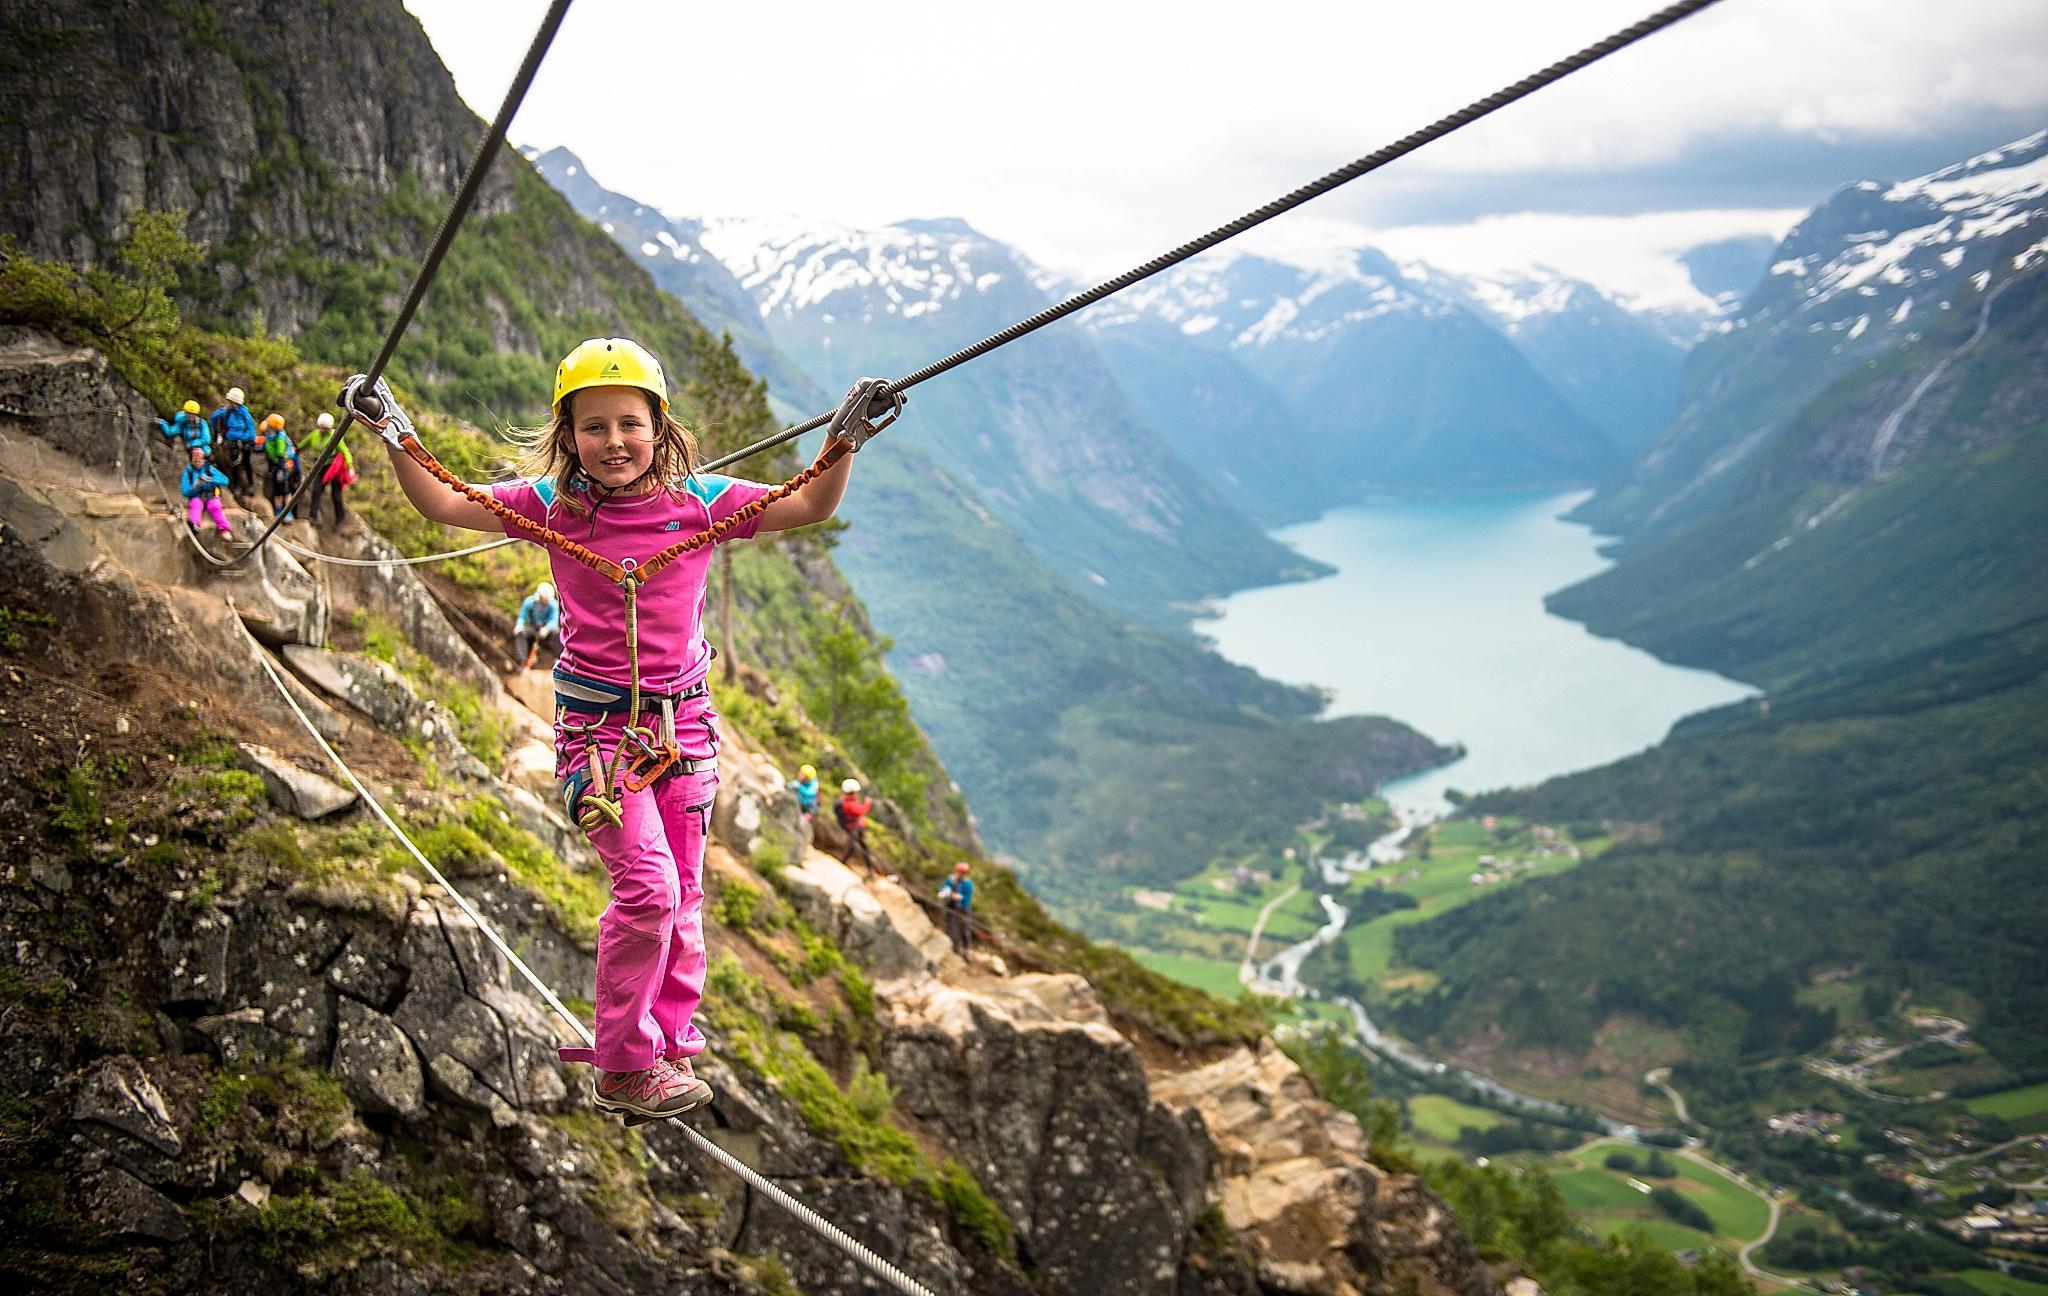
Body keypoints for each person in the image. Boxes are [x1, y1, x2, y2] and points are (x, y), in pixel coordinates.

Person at [346, 336, 895, 1125]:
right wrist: (393, 433)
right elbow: (445, 501)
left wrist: (843, 443)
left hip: (686, 729)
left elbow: (808, 503)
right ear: (569, 437)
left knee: (686, 897)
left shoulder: (702, 503)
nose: (613, 443)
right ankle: (625, 1064)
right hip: (599, 738)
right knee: (648, 891)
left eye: (629, 424)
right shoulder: (552, 508)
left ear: (658, 425)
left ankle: (666, 1042)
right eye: (593, 427)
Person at [303, 412, 356, 527]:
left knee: (335, 494)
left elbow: (344, 451)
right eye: (322, 427)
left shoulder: (334, 436)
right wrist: (297, 449)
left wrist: (349, 466)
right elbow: (305, 444)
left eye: (326, 428)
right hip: (320, 467)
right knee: (316, 491)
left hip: (333, 468)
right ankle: (313, 517)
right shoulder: (315, 435)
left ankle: (340, 518)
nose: (323, 430)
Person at [207, 386, 259, 496]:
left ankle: (250, 484)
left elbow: (251, 428)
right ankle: (236, 485)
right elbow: (213, 418)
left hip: (244, 441)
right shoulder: (226, 412)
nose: (233, 404)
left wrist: (249, 441)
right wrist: (222, 411)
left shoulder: (244, 413)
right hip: (232, 442)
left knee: (246, 462)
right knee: (234, 464)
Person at [180, 446, 234, 540]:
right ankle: (195, 524)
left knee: (215, 506)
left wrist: (210, 480)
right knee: (195, 505)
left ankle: (224, 529)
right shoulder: (188, 472)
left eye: (200, 459)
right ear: (191, 460)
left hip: (211, 495)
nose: (197, 462)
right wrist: (196, 487)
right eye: (195, 460)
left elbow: (225, 480)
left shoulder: (209, 469)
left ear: (203, 459)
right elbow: (185, 491)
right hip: (196, 496)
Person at [512, 581, 561, 671]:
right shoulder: (529, 602)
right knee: (521, 634)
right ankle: (522, 662)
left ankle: (559, 660)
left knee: (557, 634)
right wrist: (519, 625)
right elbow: (522, 616)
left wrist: (547, 628)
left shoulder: (553, 604)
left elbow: (554, 620)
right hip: (533, 629)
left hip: (547, 631)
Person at [260, 414, 301, 520]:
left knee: (285, 491)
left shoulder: (280, 438)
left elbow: (280, 455)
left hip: (283, 467)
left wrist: (281, 470)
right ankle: (278, 511)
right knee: (277, 491)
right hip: (276, 466)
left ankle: (287, 512)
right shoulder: (271, 436)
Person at [936, 861, 975, 958]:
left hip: (963, 911)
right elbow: (943, 888)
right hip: (952, 909)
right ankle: (955, 949)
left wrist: (958, 898)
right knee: (953, 929)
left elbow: (967, 899)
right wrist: (946, 893)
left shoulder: (968, 884)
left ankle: (967, 950)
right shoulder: (951, 880)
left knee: (965, 931)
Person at [835, 777, 874, 869]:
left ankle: (869, 866)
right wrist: (867, 804)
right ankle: (844, 862)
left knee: (859, 845)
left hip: (851, 826)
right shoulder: (849, 803)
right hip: (851, 827)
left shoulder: (845, 801)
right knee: (854, 846)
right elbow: (860, 811)